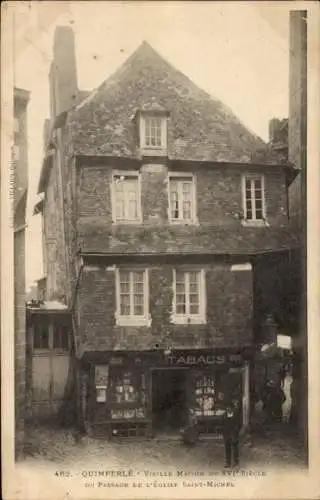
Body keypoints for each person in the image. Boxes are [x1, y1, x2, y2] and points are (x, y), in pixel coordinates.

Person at [222, 400, 241, 468]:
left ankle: (236, 463)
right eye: (227, 408)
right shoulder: (224, 415)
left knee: (235, 449)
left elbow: (239, 424)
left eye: (229, 408)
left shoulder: (235, 415)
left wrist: (236, 431)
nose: (228, 409)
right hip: (227, 434)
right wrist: (224, 435)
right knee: (227, 449)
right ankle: (228, 463)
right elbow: (222, 425)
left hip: (234, 434)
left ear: (232, 408)